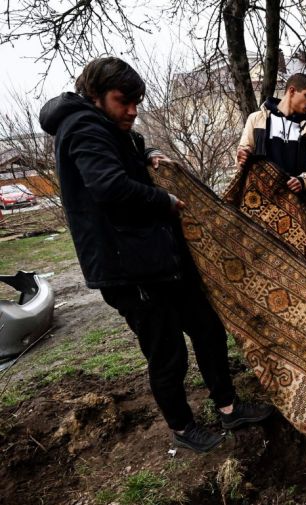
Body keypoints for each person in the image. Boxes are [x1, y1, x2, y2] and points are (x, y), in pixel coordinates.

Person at [39, 57, 273, 453]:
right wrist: (163, 199)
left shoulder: (106, 126)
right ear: (96, 95)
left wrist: (149, 153)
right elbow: (110, 187)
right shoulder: (82, 126)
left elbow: (130, 154)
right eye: (123, 101)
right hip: (128, 268)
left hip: (157, 257)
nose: (132, 110)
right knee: (167, 352)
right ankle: (182, 427)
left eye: (137, 102)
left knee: (207, 327)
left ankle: (229, 407)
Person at [236, 73, 306, 228]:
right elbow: (242, 159)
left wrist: (303, 181)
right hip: (266, 208)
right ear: (292, 91)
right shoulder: (257, 119)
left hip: (304, 207)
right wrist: (241, 157)